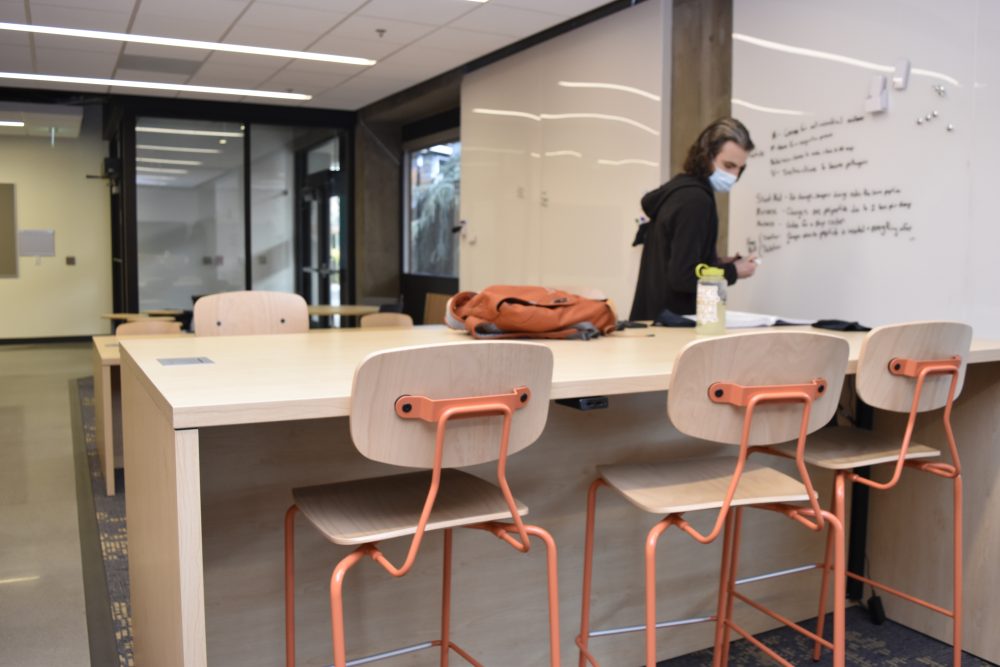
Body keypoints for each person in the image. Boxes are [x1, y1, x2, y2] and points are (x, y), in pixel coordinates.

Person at [629, 117, 758, 320]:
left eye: (740, 168)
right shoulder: (695, 201)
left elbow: (679, 260)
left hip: (657, 321)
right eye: (729, 165)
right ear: (706, 156)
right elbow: (683, 277)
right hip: (674, 326)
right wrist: (733, 271)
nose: (734, 175)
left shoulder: (680, 192)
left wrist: (717, 262)